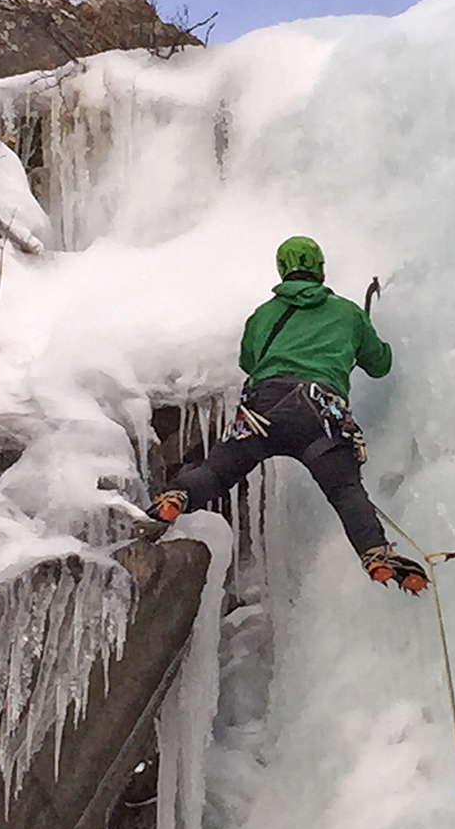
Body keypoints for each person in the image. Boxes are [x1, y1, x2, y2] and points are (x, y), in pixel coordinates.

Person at [147, 236, 428, 592]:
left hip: (261, 410)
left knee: (216, 473)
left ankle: (178, 496)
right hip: (320, 410)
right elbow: (380, 364)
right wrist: (362, 340)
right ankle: (375, 552)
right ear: (320, 269)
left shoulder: (263, 315)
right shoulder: (347, 312)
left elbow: (248, 361)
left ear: (282, 270)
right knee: (344, 491)